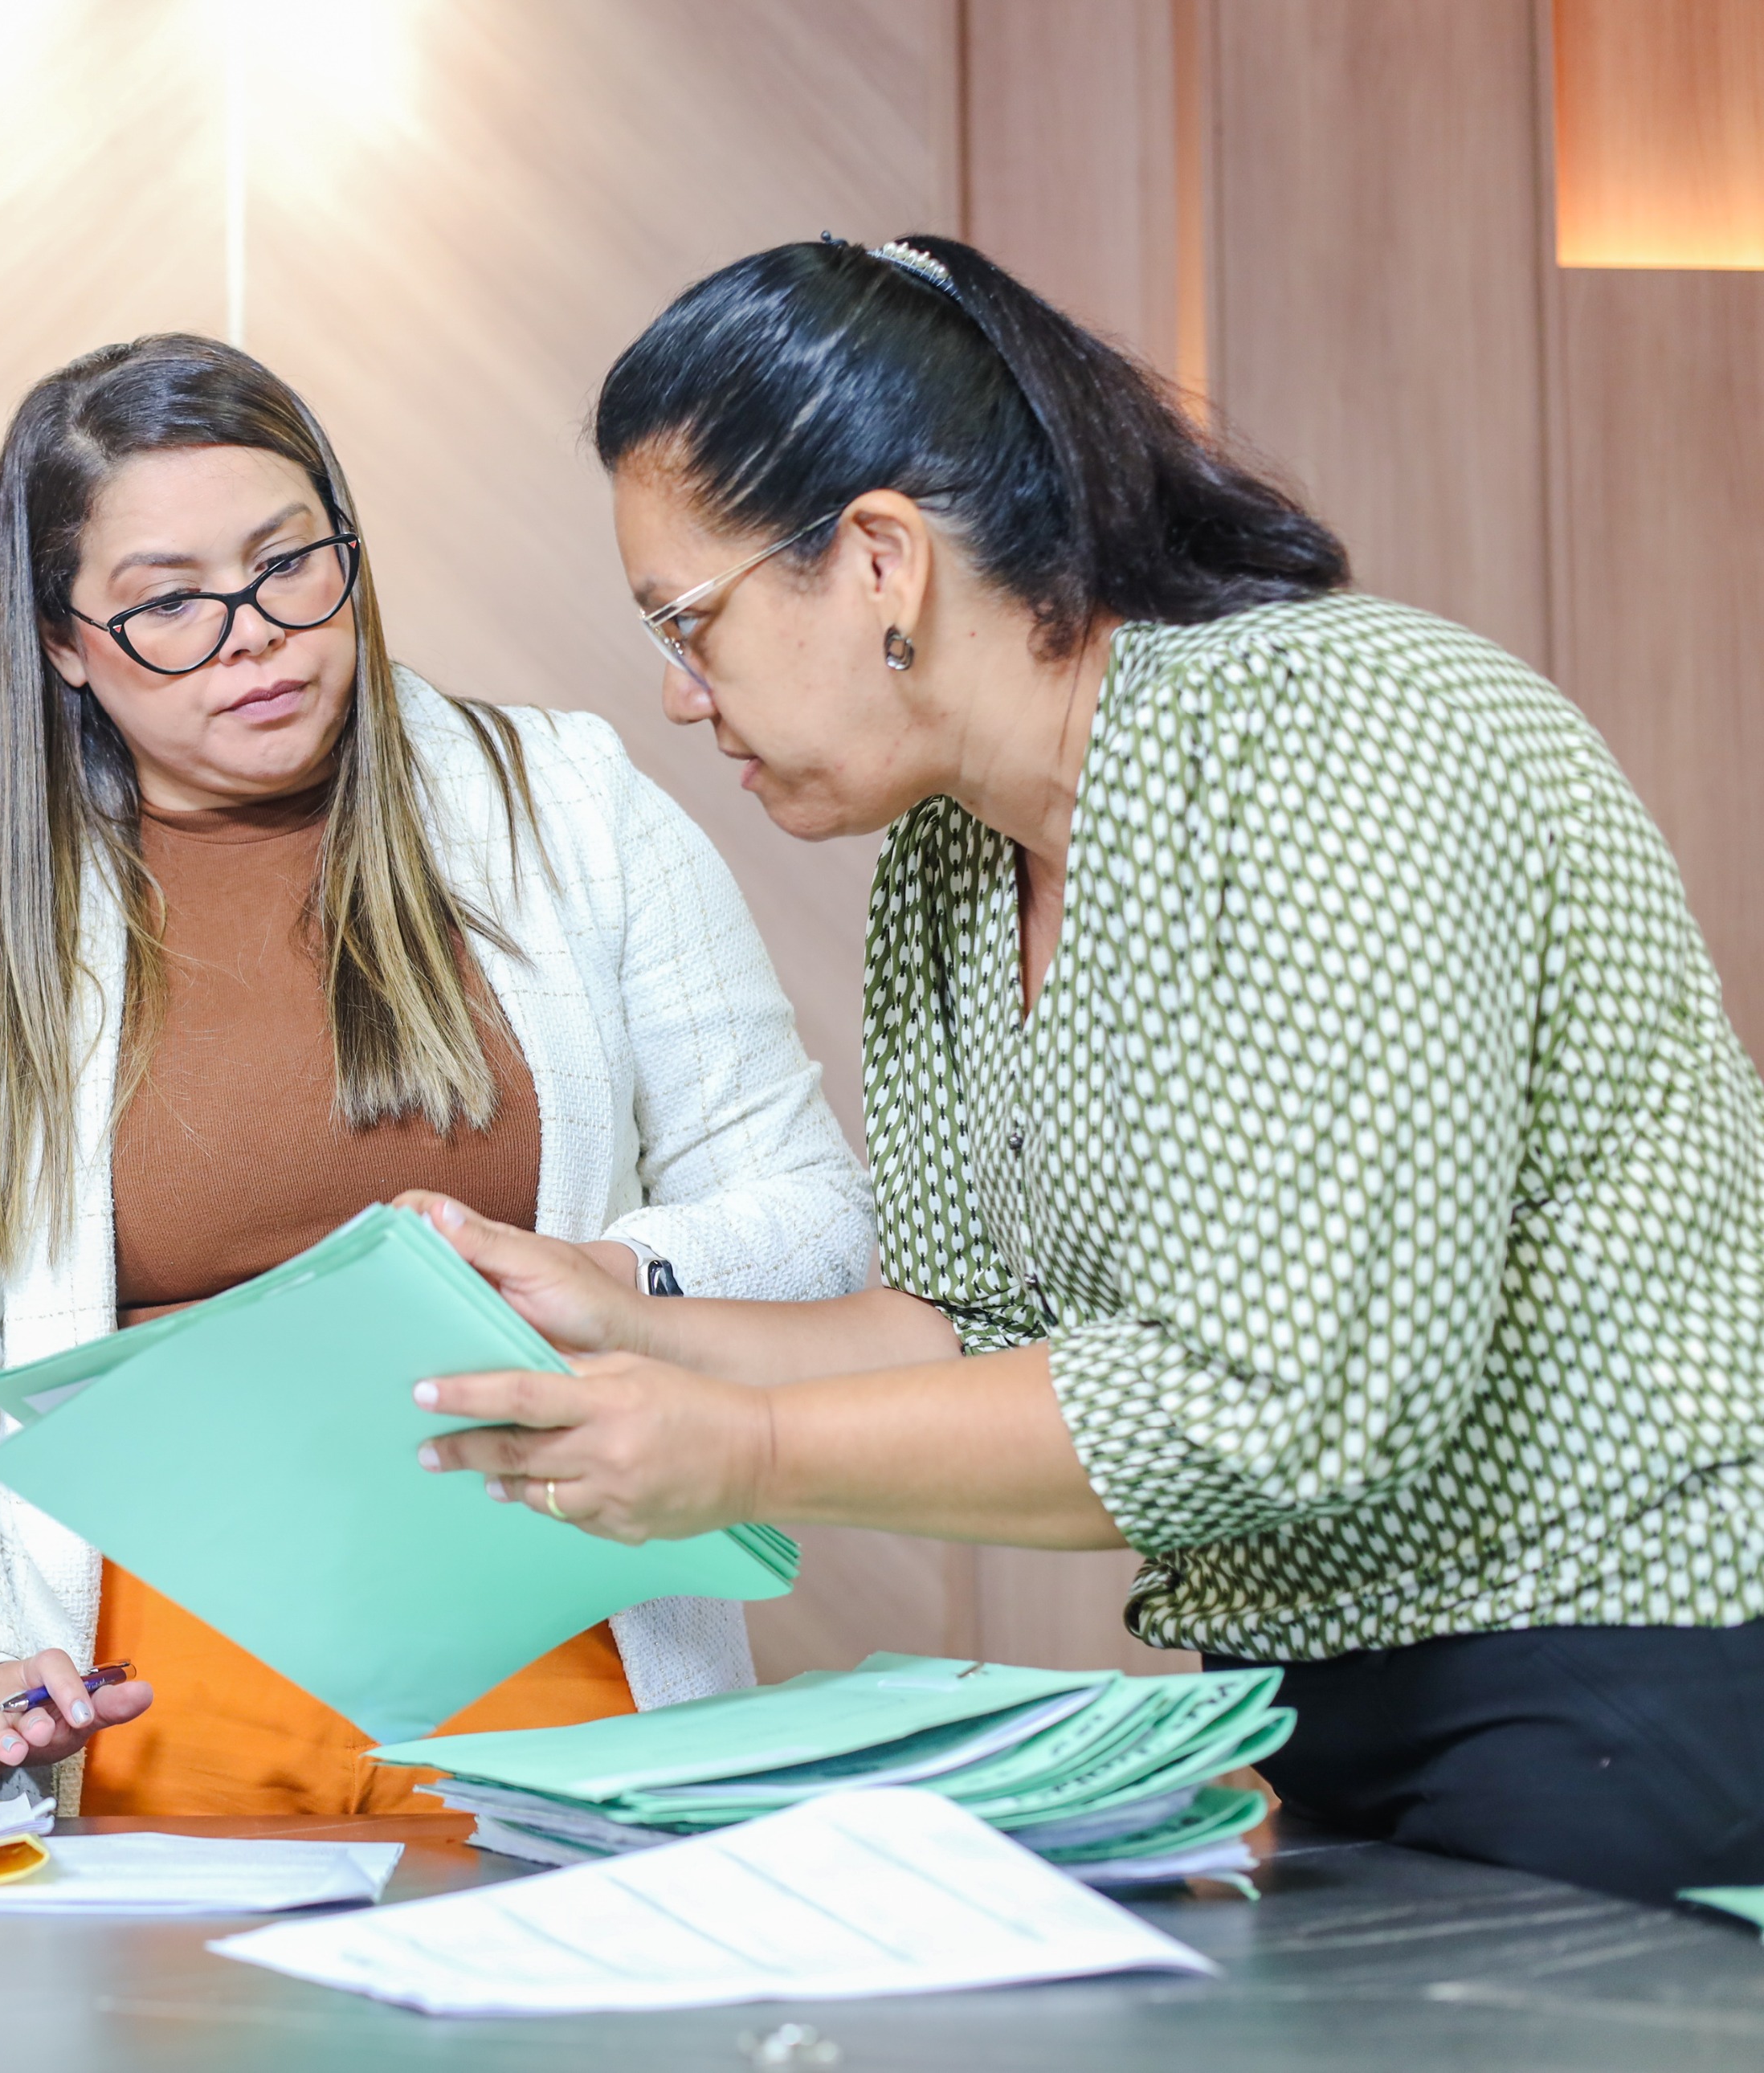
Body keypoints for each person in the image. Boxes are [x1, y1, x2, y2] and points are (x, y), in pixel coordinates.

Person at [406, 234, 1764, 1904]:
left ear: (882, 560)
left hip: (1638, 1655)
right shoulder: (954, 859)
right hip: (1303, 1689)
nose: (682, 699)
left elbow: (1284, 1403)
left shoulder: (1346, 737)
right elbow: (983, 1323)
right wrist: (621, 1318)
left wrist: (740, 1451)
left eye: (692, 622)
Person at [0, 335, 875, 1815]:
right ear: (58, 640)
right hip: (158, 1699)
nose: (250, 634)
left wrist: (603, 1271)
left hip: (558, 1639)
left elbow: (816, 1215)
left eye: (290, 564)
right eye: (166, 601)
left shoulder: (572, 810)